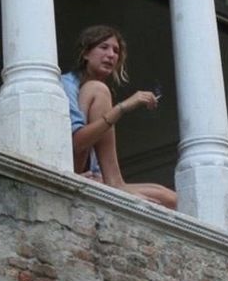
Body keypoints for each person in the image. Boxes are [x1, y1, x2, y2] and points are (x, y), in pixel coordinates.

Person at [61, 25, 177, 210]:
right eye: (104, 47)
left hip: (92, 175)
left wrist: (96, 176)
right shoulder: (67, 84)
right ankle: (115, 181)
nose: (111, 55)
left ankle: (115, 182)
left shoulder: (98, 91)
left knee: (171, 199)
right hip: (67, 166)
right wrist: (122, 108)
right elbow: (77, 143)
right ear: (86, 53)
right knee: (98, 89)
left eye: (116, 51)